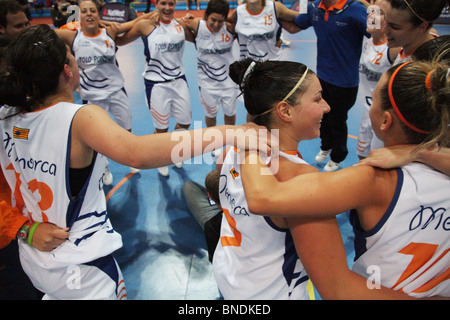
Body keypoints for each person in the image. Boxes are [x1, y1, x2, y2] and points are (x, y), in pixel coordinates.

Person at [0, 24, 270, 299]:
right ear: (68, 69)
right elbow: (138, 153)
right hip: (80, 265)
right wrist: (228, 133)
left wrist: (22, 228)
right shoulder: (79, 118)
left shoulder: (6, 115)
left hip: (33, 256)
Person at [240, 56, 450, 298]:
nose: (327, 106)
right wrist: (424, 151)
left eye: (372, 101)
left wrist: (249, 137)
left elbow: (262, 197)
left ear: (385, 120)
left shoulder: (371, 179)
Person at [56, 0, 151, 184]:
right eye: (84, 11)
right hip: (92, 97)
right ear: (79, 15)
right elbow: (47, 34)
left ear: (99, 14)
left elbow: (137, 22)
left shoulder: (110, 32)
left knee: (126, 128)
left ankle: (129, 157)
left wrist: (107, 24)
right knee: (95, 139)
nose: (89, 14)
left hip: (116, 92)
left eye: (93, 11)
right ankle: (104, 167)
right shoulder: (72, 37)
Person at [282, 0, 370, 172]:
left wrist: (372, 7)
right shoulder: (315, 8)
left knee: (337, 120)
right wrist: (272, 14)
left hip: (345, 82)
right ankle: (326, 146)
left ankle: (338, 156)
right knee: (321, 116)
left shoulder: (355, 10)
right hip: (322, 77)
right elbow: (294, 26)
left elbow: (377, 34)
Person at [114, 0, 196, 177]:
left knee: (185, 122)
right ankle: (161, 158)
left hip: (179, 80)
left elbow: (199, 37)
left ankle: (174, 150)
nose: (167, 8)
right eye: (163, 3)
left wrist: (192, 21)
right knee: (162, 128)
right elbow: (120, 41)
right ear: (156, 4)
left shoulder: (180, 25)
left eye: (171, 4)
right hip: (156, 84)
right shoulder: (145, 25)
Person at [183, 0, 239, 154]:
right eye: (213, 20)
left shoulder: (230, 29)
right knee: (211, 114)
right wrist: (187, 17)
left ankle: (229, 143)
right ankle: (214, 143)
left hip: (228, 82)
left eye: (220, 21)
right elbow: (180, 24)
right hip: (206, 83)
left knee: (229, 113)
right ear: (206, 16)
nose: (216, 24)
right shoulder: (197, 25)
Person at [357, 0, 400, 159]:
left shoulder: (392, 49)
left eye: (378, 13)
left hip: (384, 118)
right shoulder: (368, 41)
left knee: (376, 161)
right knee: (361, 156)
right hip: (367, 112)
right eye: (371, 12)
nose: (371, 15)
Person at [380, 0, 448, 65]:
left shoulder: (426, 69)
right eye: (386, 21)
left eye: (394, 27)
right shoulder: (404, 46)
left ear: (422, 27)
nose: (383, 30)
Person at [228, 0, 300, 62]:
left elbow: (300, 18)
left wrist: (278, 32)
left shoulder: (275, 8)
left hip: (272, 63)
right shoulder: (238, 12)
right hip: (247, 65)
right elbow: (224, 26)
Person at [182, 169, 223, 263]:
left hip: (216, 217)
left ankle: (213, 194)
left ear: (210, 197)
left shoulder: (211, 225)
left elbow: (214, 258)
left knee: (188, 186)